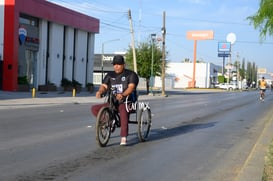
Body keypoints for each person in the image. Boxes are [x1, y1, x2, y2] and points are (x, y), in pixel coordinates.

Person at [91, 55, 139, 146]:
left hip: (126, 101)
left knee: (123, 112)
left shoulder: (131, 74)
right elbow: (104, 86)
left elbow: (131, 87)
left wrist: (123, 94)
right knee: (95, 108)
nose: (116, 66)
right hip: (112, 102)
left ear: (123, 65)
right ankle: (108, 121)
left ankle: (123, 137)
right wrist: (100, 92)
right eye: (115, 64)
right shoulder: (110, 75)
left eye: (119, 64)